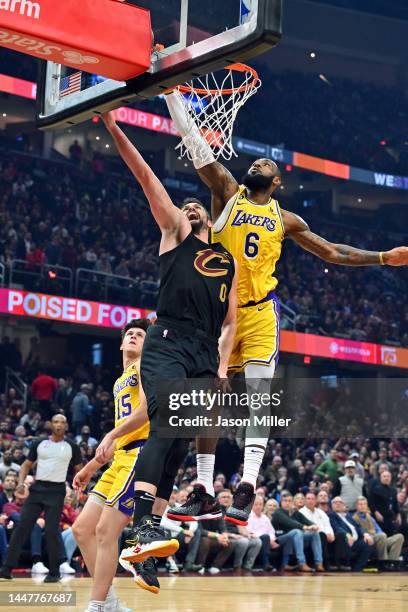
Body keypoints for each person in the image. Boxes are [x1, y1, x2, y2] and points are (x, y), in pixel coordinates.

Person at [166, 91, 408, 525]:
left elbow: (332, 251)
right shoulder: (227, 193)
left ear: (277, 183)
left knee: (259, 400)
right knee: (209, 400)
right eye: (258, 164)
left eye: (269, 167)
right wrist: (172, 98)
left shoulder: (286, 219)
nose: (261, 166)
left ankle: (246, 487)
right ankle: (202, 490)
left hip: (258, 313)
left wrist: (382, 258)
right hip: (217, 316)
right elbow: (198, 146)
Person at [98, 111, 237, 589]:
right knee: (165, 424)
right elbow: (146, 177)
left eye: (199, 207)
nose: (191, 208)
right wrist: (115, 128)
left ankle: (148, 541)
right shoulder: (175, 234)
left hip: (203, 352)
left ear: (212, 221)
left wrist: (220, 364)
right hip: (169, 341)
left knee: (181, 438)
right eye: (187, 206)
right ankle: (140, 531)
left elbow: (232, 320)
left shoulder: (225, 260)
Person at [73, 319, 151, 612]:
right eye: (129, 334)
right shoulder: (121, 379)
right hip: (119, 458)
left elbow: (145, 413)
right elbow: (119, 436)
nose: (132, 336)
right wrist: (91, 467)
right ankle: (109, 601)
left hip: (140, 455)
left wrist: (111, 434)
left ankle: (96, 605)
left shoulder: (146, 367)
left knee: (106, 531)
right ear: (120, 343)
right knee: (82, 529)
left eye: (139, 335)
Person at [0, 414, 82, 582]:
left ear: (66, 426)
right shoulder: (39, 443)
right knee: (22, 526)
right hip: (38, 489)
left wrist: (77, 491)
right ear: (50, 424)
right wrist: (21, 483)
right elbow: (25, 465)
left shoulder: (72, 446)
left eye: (62, 422)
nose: (59, 425)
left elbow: (80, 471)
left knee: (52, 531)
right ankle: (7, 568)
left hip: (57, 490)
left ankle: (54, 572)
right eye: (56, 421)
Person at [272, 492, 323, 571]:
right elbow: (289, 522)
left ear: (292, 503)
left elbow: (307, 521)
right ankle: (302, 563)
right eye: (285, 501)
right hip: (279, 538)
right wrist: (304, 527)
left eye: (289, 501)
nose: (287, 503)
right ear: (281, 502)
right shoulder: (278, 512)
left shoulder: (295, 513)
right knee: (297, 531)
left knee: (314, 533)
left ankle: (318, 563)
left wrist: (314, 525)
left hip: (294, 538)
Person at [352, 496, 404, 569]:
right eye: (360, 504)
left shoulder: (370, 517)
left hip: (380, 539)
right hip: (369, 541)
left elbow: (378, 529)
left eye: (364, 504)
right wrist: (379, 535)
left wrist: (381, 535)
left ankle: (392, 562)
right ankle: (383, 562)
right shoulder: (354, 518)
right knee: (381, 536)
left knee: (399, 537)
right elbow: (359, 532)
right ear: (356, 506)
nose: (362, 506)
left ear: (367, 506)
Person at [220, 490, 262, 571]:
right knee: (243, 541)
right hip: (226, 535)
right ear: (218, 500)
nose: (226, 499)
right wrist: (232, 535)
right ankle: (237, 566)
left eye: (228, 497)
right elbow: (221, 529)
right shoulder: (218, 512)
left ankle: (247, 566)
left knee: (257, 541)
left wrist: (248, 534)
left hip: (237, 535)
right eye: (223, 497)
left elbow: (240, 527)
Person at [328, 497, 374, 571]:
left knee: (367, 543)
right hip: (344, 540)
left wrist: (365, 534)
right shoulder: (331, 515)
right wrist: (346, 534)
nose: (338, 503)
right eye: (335, 502)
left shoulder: (348, 516)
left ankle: (357, 569)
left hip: (355, 541)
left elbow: (358, 527)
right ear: (331, 505)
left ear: (343, 505)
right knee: (343, 538)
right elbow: (336, 527)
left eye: (340, 502)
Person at [299, 492, 336, 569]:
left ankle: (338, 563)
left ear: (316, 501)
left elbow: (327, 525)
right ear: (305, 501)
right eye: (308, 499)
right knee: (321, 535)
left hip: (323, 534)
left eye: (313, 499)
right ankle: (323, 563)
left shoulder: (321, 512)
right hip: (307, 536)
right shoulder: (300, 512)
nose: (310, 501)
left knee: (339, 536)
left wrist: (330, 534)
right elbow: (302, 528)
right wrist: (323, 533)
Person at [368, 470, 401, 536]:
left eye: (388, 476)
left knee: (391, 536)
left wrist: (398, 514)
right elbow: (371, 502)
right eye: (384, 476)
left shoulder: (393, 490)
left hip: (390, 518)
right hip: (380, 518)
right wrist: (375, 512)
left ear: (391, 478)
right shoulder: (375, 489)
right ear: (381, 478)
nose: (386, 478)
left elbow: (395, 503)